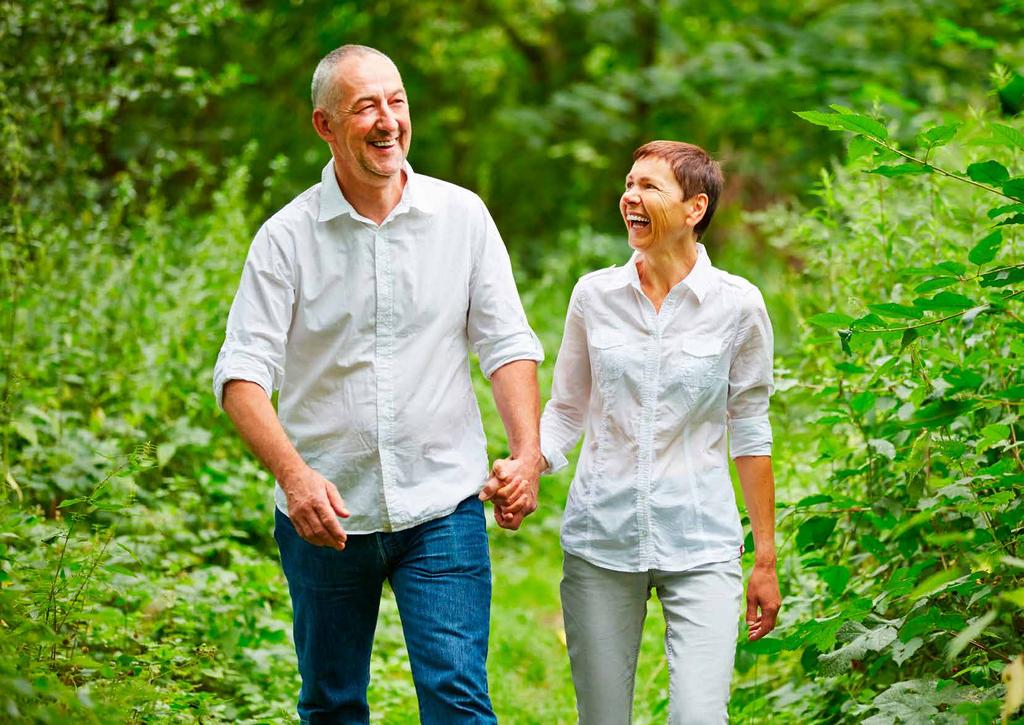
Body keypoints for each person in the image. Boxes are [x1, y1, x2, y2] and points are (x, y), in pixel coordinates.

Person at [212, 44, 546, 724]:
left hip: (442, 502)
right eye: (365, 106)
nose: (387, 120)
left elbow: (506, 343)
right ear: (324, 125)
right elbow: (242, 376)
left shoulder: (462, 218)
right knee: (333, 704)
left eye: (396, 101)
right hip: (325, 515)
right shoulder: (285, 240)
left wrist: (527, 452)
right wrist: (295, 477)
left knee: (457, 696)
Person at [493, 140, 781, 723]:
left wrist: (766, 560)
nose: (630, 197)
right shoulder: (593, 296)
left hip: (700, 543)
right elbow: (568, 409)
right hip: (602, 539)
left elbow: (750, 431)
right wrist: (529, 464)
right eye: (628, 185)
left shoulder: (738, 306)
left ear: (695, 208)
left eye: (649, 187)